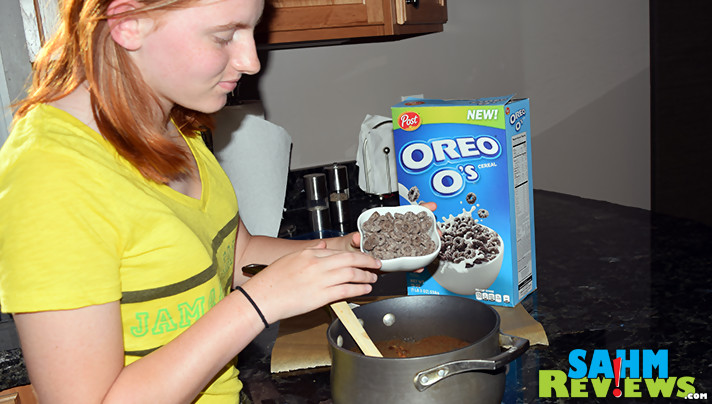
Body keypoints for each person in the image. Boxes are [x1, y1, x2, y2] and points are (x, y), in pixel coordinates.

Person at [0, 0, 432, 402]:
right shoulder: (52, 175)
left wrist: (352, 249)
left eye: (253, 30)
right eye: (225, 36)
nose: (252, 61)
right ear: (128, 23)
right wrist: (259, 304)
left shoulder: (170, 124)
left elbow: (236, 254)